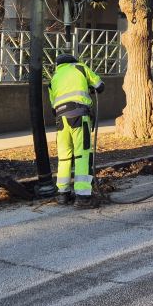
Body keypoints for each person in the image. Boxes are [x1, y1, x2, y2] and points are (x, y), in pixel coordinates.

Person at [49, 54, 104, 206]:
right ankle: (83, 196)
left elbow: (53, 107)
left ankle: (63, 194)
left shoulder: (54, 78)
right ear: (73, 61)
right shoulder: (80, 67)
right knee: (82, 154)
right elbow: (100, 85)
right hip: (79, 117)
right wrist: (89, 87)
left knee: (64, 156)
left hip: (61, 120)